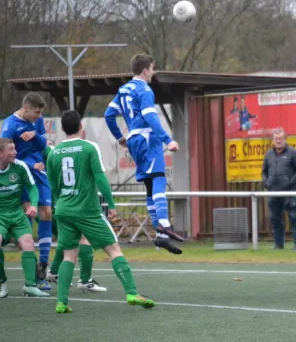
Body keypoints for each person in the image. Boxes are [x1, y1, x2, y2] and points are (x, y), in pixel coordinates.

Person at [46, 110, 155, 313]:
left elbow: (52, 185)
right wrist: (111, 205)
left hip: (63, 209)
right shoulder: (89, 147)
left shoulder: (53, 153)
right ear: (81, 127)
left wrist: (59, 204)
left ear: (62, 129)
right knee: (113, 249)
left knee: (69, 255)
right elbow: (100, 178)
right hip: (86, 209)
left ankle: (61, 303)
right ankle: (132, 293)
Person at [104, 53, 183, 255]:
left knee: (149, 184)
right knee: (158, 179)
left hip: (134, 140)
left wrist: (120, 137)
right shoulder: (144, 89)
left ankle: (160, 235)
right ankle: (164, 226)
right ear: (145, 70)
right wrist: (167, 140)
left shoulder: (123, 89)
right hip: (148, 139)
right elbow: (150, 116)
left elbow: (109, 115)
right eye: (152, 69)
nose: (153, 73)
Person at [21, 144, 106, 292]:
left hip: (54, 206)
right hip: (59, 205)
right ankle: (83, 280)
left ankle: (52, 272)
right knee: (81, 238)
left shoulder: (48, 151)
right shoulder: (50, 151)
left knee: (67, 240)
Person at [1, 93, 53, 288]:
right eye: (36, 112)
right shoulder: (10, 126)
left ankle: (43, 264)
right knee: (28, 218)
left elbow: (43, 143)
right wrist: (29, 165)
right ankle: (33, 276)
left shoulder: (36, 120)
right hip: (23, 174)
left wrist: (35, 135)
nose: (39, 116)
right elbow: (7, 155)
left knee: (47, 212)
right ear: (26, 109)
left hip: (39, 171)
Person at [0, 138, 49, 298]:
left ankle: (30, 285)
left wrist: (33, 205)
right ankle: (2, 282)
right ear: (0, 153)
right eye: (11, 149)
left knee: (28, 243)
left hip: (17, 214)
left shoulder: (20, 166)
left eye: (15, 148)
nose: (15, 152)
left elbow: (32, 188)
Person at [261, 129, 296, 250]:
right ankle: (278, 244)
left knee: (294, 217)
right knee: (275, 219)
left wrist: (290, 183)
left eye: (280, 139)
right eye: (276, 139)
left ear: (285, 139)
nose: (278, 141)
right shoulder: (268, 155)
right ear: (273, 140)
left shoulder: (293, 153)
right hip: (273, 192)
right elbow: (264, 171)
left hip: (289, 192)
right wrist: (266, 182)